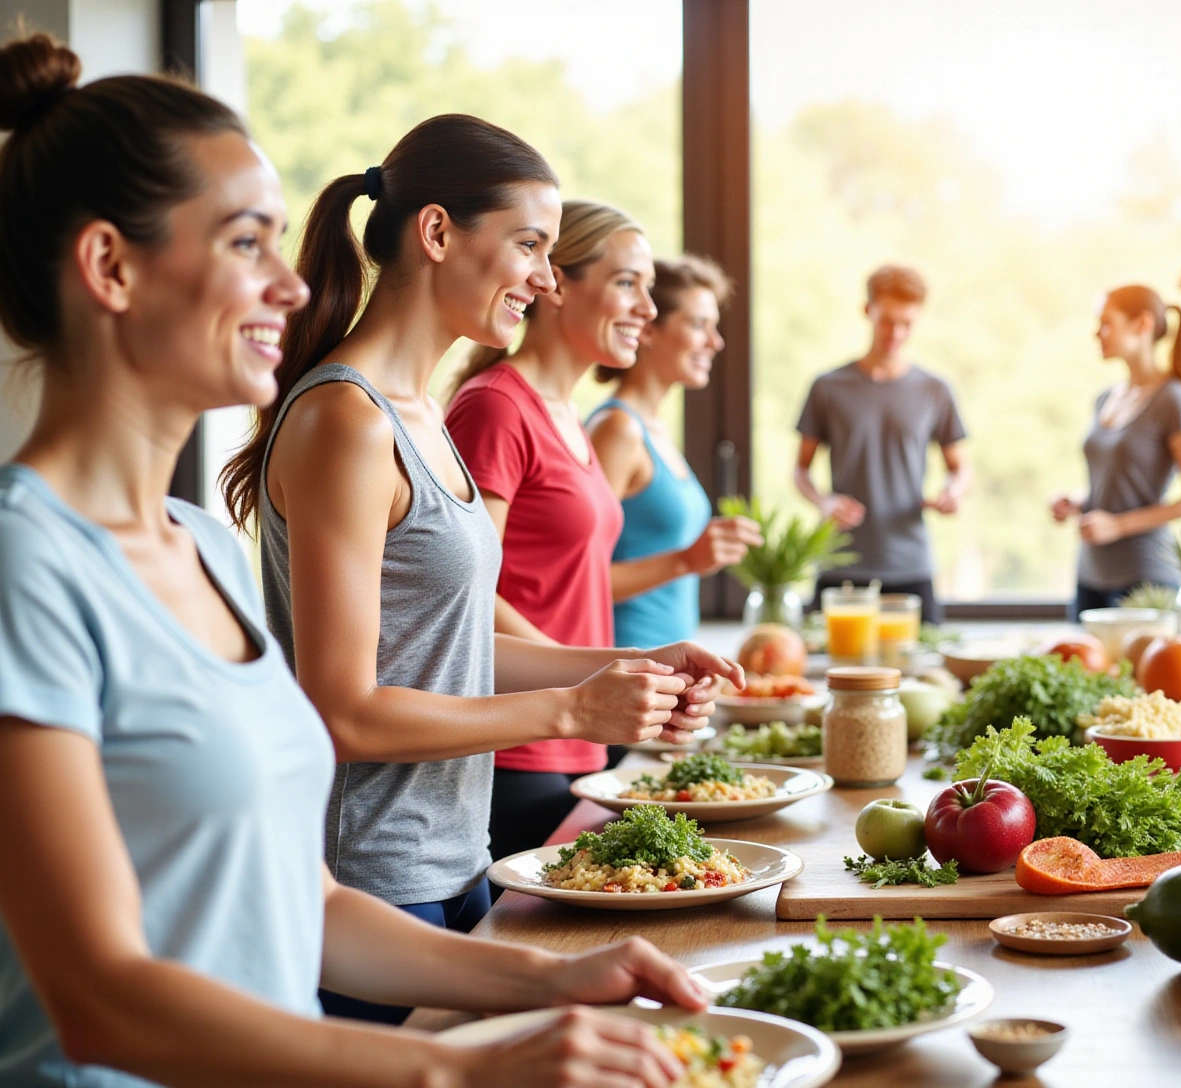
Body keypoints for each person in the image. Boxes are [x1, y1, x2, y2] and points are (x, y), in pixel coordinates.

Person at [0, 33, 703, 1087]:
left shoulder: (204, 551)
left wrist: (553, 978)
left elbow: (308, 900)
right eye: (246, 244)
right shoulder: (24, 565)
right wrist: (456, 1071)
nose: (290, 284)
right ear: (110, 266)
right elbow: (101, 997)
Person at [219, 114, 740, 1022]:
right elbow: (341, 707)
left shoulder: (422, 415)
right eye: (530, 245)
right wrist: (572, 709)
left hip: (456, 862)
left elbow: (449, 651)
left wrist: (628, 670)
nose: (545, 279)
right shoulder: (348, 420)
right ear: (435, 233)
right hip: (372, 884)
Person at [444, 205, 753, 861]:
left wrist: (608, 683)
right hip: (517, 740)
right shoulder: (496, 406)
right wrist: (594, 677)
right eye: (626, 284)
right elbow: (466, 588)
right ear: (555, 283)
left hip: (573, 730)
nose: (647, 307)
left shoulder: (567, 418)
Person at [589, 254, 760, 652]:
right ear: (647, 329)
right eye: (699, 325)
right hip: (625, 665)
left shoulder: (654, 430)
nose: (715, 343)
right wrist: (687, 559)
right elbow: (581, 582)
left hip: (666, 669)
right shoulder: (617, 431)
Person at [795, 264, 969, 622]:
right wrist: (824, 501)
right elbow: (800, 469)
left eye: (907, 323)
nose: (897, 333)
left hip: (909, 564)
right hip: (840, 564)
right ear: (867, 310)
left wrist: (952, 492)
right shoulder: (828, 387)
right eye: (888, 321)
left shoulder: (935, 390)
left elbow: (960, 467)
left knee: (923, 673)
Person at [1049, 285, 1181, 616]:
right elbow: (1116, 483)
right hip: (1090, 574)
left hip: (1144, 577)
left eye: (1107, 323)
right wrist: (1078, 501)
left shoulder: (1173, 400)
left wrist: (1118, 526)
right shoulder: (1105, 398)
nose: (1097, 333)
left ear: (1142, 325)